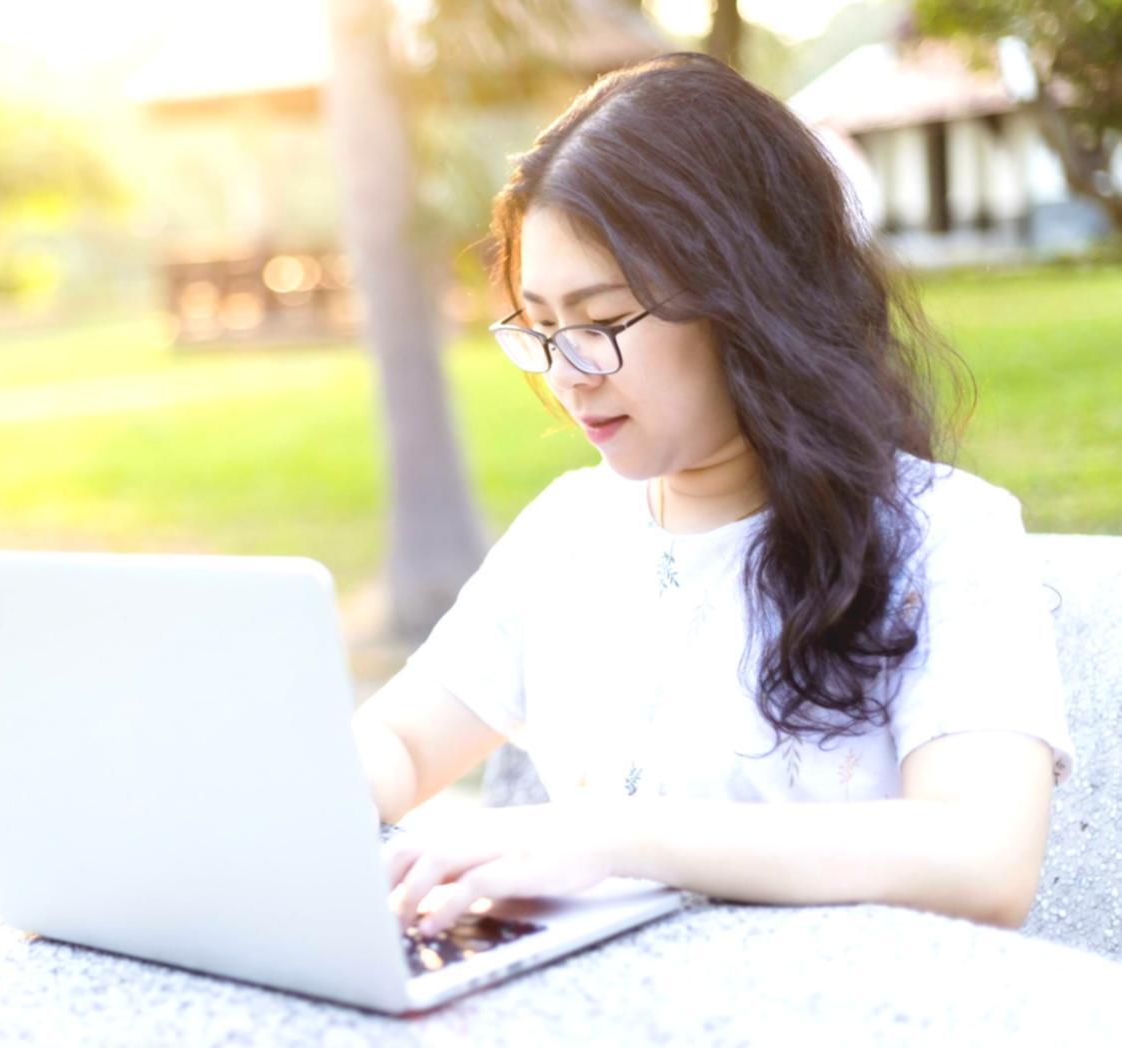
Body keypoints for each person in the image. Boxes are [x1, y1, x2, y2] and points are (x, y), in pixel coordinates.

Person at [351, 52, 1077, 938]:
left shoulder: (942, 536)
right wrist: (297, 791)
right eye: (540, 327)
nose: (568, 373)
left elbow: (982, 859)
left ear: (748, 296)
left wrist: (617, 841)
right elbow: (403, 740)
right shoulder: (571, 533)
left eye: (600, 319)